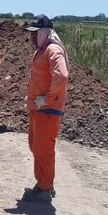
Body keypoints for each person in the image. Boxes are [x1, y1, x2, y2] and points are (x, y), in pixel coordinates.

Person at [22, 14, 69, 202]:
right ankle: (45, 183)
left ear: (44, 32)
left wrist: (47, 99)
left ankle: (44, 189)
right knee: (36, 146)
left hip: (48, 110)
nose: (32, 37)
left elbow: (62, 76)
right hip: (38, 109)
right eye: (31, 33)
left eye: (36, 33)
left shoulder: (52, 50)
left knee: (43, 149)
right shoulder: (42, 50)